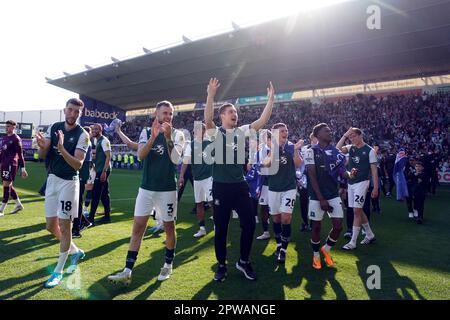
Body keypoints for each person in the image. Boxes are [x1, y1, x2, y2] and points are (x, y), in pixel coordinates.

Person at [204, 78, 275, 282]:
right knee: (221, 230)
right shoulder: (215, 132)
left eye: (235, 112)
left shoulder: (241, 131)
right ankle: (221, 265)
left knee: (249, 225)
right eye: (230, 112)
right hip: (220, 188)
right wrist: (210, 95)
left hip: (240, 186)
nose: (234, 114)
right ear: (222, 116)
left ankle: (243, 261)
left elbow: (262, 122)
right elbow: (208, 119)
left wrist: (270, 100)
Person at [108, 100, 185, 285]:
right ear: (156, 115)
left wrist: (167, 138)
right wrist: (153, 136)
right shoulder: (145, 131)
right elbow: (141, 155)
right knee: (138, 228)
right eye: (165, 113)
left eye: (170, 113)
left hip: (167, 189)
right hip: (146, 188)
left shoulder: (179, 134)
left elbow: (176, 160)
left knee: (169, 228)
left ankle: (167, 265)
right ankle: (127, 270)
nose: (168, 116)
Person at [35, 98, 89, 288]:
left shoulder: (83, 135)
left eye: (77, 112)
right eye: (71, 110)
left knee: (65, 227)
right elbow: (42, 155)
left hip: (69, 183)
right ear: (65, 110)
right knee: (50, 226)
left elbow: (78, 164)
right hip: (52, 180)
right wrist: (42, 146)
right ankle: (75, 251)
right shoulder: (54, 127)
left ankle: (57, 272)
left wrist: (62, 148)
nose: (73, 114)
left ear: (80, 114)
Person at [304, 123, 345, 269]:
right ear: (318, 135)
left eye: (329, 130)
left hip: (333, 193)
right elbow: (312, 175)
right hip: (316, 196)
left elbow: (341, 172)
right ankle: (316, 256)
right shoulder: (310, 151)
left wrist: (349, 174)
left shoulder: (335, 151)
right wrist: (321, 198)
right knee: (316, 227)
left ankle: (326, 249)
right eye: (326, 131)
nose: (330, 132)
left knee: (338, 226)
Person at [263, 123, 303, 264]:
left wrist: (296, 150)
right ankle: (279, 244)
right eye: (281, 131)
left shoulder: (291, 146)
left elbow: (298, 164)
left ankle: (284, 250)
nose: (285, 132)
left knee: (286, 218)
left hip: (289, 188)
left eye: (286, 130)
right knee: (276, 219)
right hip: (273, 188)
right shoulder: (271, 147)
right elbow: (266, 164)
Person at [337, 127, 379, 251]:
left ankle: (353, 242)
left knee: (356, 210)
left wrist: (375, 188)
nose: (352, 139)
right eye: (351, 137)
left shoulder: (370, 151)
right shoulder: (351, 148)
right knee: (358, 210)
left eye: (354, 136)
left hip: (362, 182)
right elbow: (337, 149)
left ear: (361, 135)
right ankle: (369, 234)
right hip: (351, 182)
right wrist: (345, 135)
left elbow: (374, 171)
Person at [179, 123, 213, 238]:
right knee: (199, 203)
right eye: (195, 130)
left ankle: (218, 226)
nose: (195, 132)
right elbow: (186, 161)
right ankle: (202, 228)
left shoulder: (209, 143)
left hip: (209, 178)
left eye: (198, 130)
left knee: (213, 203)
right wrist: (181, 176)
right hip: (197, 178)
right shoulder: (191, 145)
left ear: (204, 131)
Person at [0, 120, 28, 216]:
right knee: (8, 185)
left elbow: (20, 154)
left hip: (11, 164)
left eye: (8, 126)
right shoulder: (4, 138)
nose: (6, 128)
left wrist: (23, 168)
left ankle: (1, 210)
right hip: (4, 164)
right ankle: (18, 205)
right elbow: (2, 152)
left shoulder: (16, 138)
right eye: (6, 126)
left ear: (13, 127)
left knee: (6, 185)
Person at [88, 124, 112, 225]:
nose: (94, 130)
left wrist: (104, 172)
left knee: (96, 194)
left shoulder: (104, 140)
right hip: (99, 169)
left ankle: (91, 218)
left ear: (100, 130)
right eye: (93, 129)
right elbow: (101, 156)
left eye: (96, 129)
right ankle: (107, 217)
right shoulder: (97, 140)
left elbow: (108, 156)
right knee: (104, 195)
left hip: (102, 171)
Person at [72, 126, 94, 237]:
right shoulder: (86, 141)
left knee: (78, 199)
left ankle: (77, 227)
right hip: (82, 170)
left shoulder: (86, 142)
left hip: (82, 170)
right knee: (76, 199)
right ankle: (83, 222)